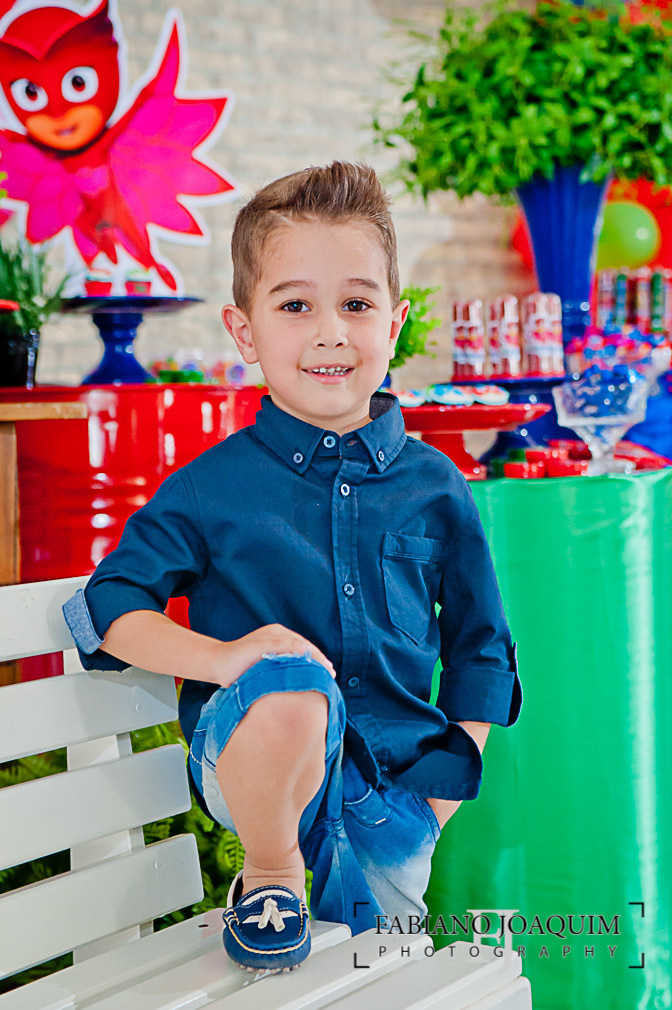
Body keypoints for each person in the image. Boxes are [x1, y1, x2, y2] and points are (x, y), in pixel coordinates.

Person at [62, 160, 522, 974]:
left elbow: (482, 646)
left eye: (356, 304)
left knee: (375, 981)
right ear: (245, 333)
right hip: (256, 770)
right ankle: (271, 874)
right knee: (288, 681)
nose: (330, 332)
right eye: (295, 305)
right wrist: (224, 659)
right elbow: (110, 604)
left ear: (394, 323)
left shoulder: (437, 486)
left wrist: (435, 802)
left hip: (395, 804)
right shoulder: (210, 489)